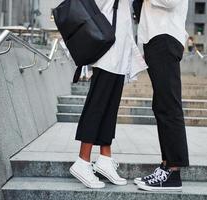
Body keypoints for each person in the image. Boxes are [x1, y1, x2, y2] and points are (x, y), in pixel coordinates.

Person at [69, 0, 147, 189]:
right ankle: (82, 160)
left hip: (119, 55)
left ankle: (105, 158)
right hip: (107, 54)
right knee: (96, 107)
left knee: (109, 110)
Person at [134, 0, 190, 191]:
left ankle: (173, 172)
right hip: (155, 39)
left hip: (165, 37)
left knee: (168, 105)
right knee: (161, 105)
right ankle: (166, 165)